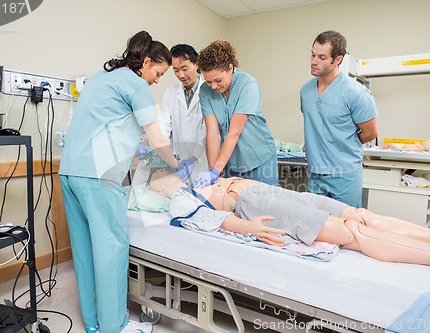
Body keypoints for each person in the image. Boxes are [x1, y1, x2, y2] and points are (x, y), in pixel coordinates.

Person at [58, 31, 189, 333]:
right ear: (145, 63)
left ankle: (93, 323)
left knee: (85, 249)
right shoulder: (135, 84)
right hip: (99, 178)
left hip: (70, 173)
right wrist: (178, 166)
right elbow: (157, 138)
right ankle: (115, 325)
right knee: (111, 250)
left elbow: (116, 129)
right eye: (158, 73)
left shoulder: (101, 79)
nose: (157, 80)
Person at [149, 168, 430, 279]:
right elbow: (208, 218)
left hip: (264, 192)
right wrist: (247, 228)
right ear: (159, 189)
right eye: (163, 178)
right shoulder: (179, 199)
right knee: (352, 233)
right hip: (254, 204)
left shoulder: (193, 181)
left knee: (359, 214)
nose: (172, 174)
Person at [300, 30, 379, 207]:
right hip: (316, 173)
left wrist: (341, 143)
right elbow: (316, 124)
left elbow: (371, 132)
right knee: (315, 225)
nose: (313, 61)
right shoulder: (305, 91)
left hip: (344, 175)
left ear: (338, 59)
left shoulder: (355, 93)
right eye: (312, 55)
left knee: (346, 228)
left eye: (321, 57)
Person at [193, 40, 278, 188]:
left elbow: (234, 132)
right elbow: (213, 135)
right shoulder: (205, 92)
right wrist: (215, 174)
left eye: (218, 80)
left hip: (258, 158)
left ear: (230, 68)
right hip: (230, 162)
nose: (213, 86)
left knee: (266, 204)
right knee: (235, 205)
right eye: (208, 81)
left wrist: (215, 170)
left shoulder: (248, 85)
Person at [160, 44, 208, 181]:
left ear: (196, 64)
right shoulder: (170, 93)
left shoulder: (209, 92)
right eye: (175, 70)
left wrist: (194, 159)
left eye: (184, 68)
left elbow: (207, 131)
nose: (181, 75)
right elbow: (164, 126)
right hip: (177, 163)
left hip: (202, 163)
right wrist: (162, 151)